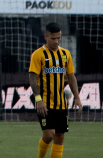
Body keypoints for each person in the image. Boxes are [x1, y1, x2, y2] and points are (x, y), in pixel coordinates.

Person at [28, 22, 82, 158]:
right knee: (49, 134)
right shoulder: (38, 55)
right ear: (46, 37)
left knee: (60, 136)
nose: (56, 41)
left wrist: (77, 97)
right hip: (44, 103)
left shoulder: (65, 54)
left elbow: (71, 77)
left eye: (59, 38)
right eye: (53, 38)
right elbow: (32, 79)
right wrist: (38, 100)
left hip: (61, 103)